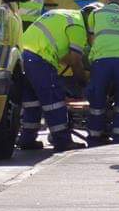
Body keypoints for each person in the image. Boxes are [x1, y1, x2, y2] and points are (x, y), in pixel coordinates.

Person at [17, 8, 87, 151]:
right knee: (54, 102)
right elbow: (75, 59)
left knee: (32, 103)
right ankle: (62, 141)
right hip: (41, 59)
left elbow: (60, 49)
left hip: (22, 56)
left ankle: (26, 139)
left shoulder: (61, 14)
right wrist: (83, 81)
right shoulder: (79, 26)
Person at [85, 0, 119, 145]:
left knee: (97, 98)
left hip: (102, 61)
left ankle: (95, 137)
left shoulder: (96, 14)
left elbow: (91, 38)